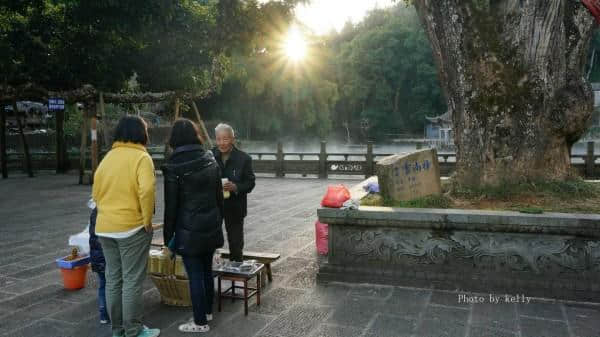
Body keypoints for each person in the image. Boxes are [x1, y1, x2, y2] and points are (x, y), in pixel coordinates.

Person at [92, 115, 159, 337]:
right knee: (132, 281)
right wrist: (146, 220)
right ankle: (134, 330)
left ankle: (117, 330)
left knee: (113, 279)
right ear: (142, 133)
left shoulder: (107, 158)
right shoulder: (142, 158)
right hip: (132, 227)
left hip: (104, 227)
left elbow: (96, 194)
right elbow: (147, 190)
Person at [162, 118, 224, 333]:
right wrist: (218, 221)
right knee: (207, 271)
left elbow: (171, 207)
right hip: (211, 224)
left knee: (195, 275)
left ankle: (200, 323)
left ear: (174, 138)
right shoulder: (210, 158)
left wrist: (168, 239)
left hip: (188, 229)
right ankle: (206, 311)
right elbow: (219, 197)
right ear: (196, 135)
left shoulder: (173, 166)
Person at [212, 123, 255, 262]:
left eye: (225, 139)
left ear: (232, 139)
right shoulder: (209, 156)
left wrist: (235, 187)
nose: (221, 143)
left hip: (235, 207)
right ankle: (210, 270)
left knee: (236, 243)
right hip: (214, 206)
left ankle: (236, 269)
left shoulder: (244, 159)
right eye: (218, 139)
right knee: (210, 240)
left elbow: (250, 183)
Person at [88, 199, 109, 325]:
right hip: (106, 256)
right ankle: (112, 313)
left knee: (103, 285)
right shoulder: (107, 212)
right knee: (112, 285)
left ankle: (103, 315)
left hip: (97, 257)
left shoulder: (94, 212)